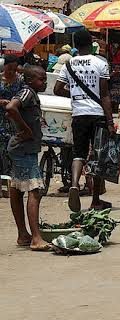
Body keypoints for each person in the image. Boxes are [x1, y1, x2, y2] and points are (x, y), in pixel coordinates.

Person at [54, 29, 115, 212]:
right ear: (91, 44)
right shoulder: (100, 63)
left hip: (78, 114)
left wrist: (75, 95)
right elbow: (104, 95)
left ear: (75, 45)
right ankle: (95, 199)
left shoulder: (68, 64)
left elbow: (58, 89)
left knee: (78, 154)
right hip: (97, 115)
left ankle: (74, 184)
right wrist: (110, 121)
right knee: (97, 157)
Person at [4, 66, 49, 250]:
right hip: (24, 148)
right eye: (41, 79)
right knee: (35, 189)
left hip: (21, 147)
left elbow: (10, 110)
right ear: (30, 80)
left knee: (16, 188)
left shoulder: (29, 94)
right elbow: (10, 108)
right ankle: (36, 238)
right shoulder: (27, 93)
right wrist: (25, 129)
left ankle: (23, 234)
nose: (44, 82)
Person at [0, 55, 24, 177]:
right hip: (1, 118)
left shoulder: (20, 80)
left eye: (14, 69)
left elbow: (24, 97)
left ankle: (10, 176)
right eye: (10, 68)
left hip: (14, 118)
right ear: (4, 66)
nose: (12, 72)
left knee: (12, 147)